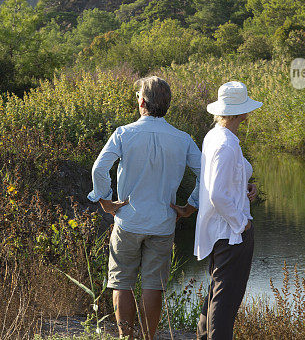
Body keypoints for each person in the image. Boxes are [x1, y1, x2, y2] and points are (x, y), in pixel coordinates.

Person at [87, 76, 202, 340]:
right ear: (167, 104)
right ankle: (148, 338)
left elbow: (99, 168)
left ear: (141, 101)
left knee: (121, 282)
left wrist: (104, 199)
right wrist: (189, 207)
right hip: (163, 223)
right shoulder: (182, 138)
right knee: (154, 285)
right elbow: (205, 174)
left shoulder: (124, 133)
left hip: (127, 220)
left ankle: (126, 338)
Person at [194, 81, 261, 340]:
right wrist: (241, 223)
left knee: (217, 293)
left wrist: (246, 184)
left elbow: (225, 181)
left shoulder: (217, 136)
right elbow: (217, 194)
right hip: (230, 234)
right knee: (226, 301)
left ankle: (202, 337)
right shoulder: (225, 144)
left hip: (221, 231)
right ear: (241, 112)